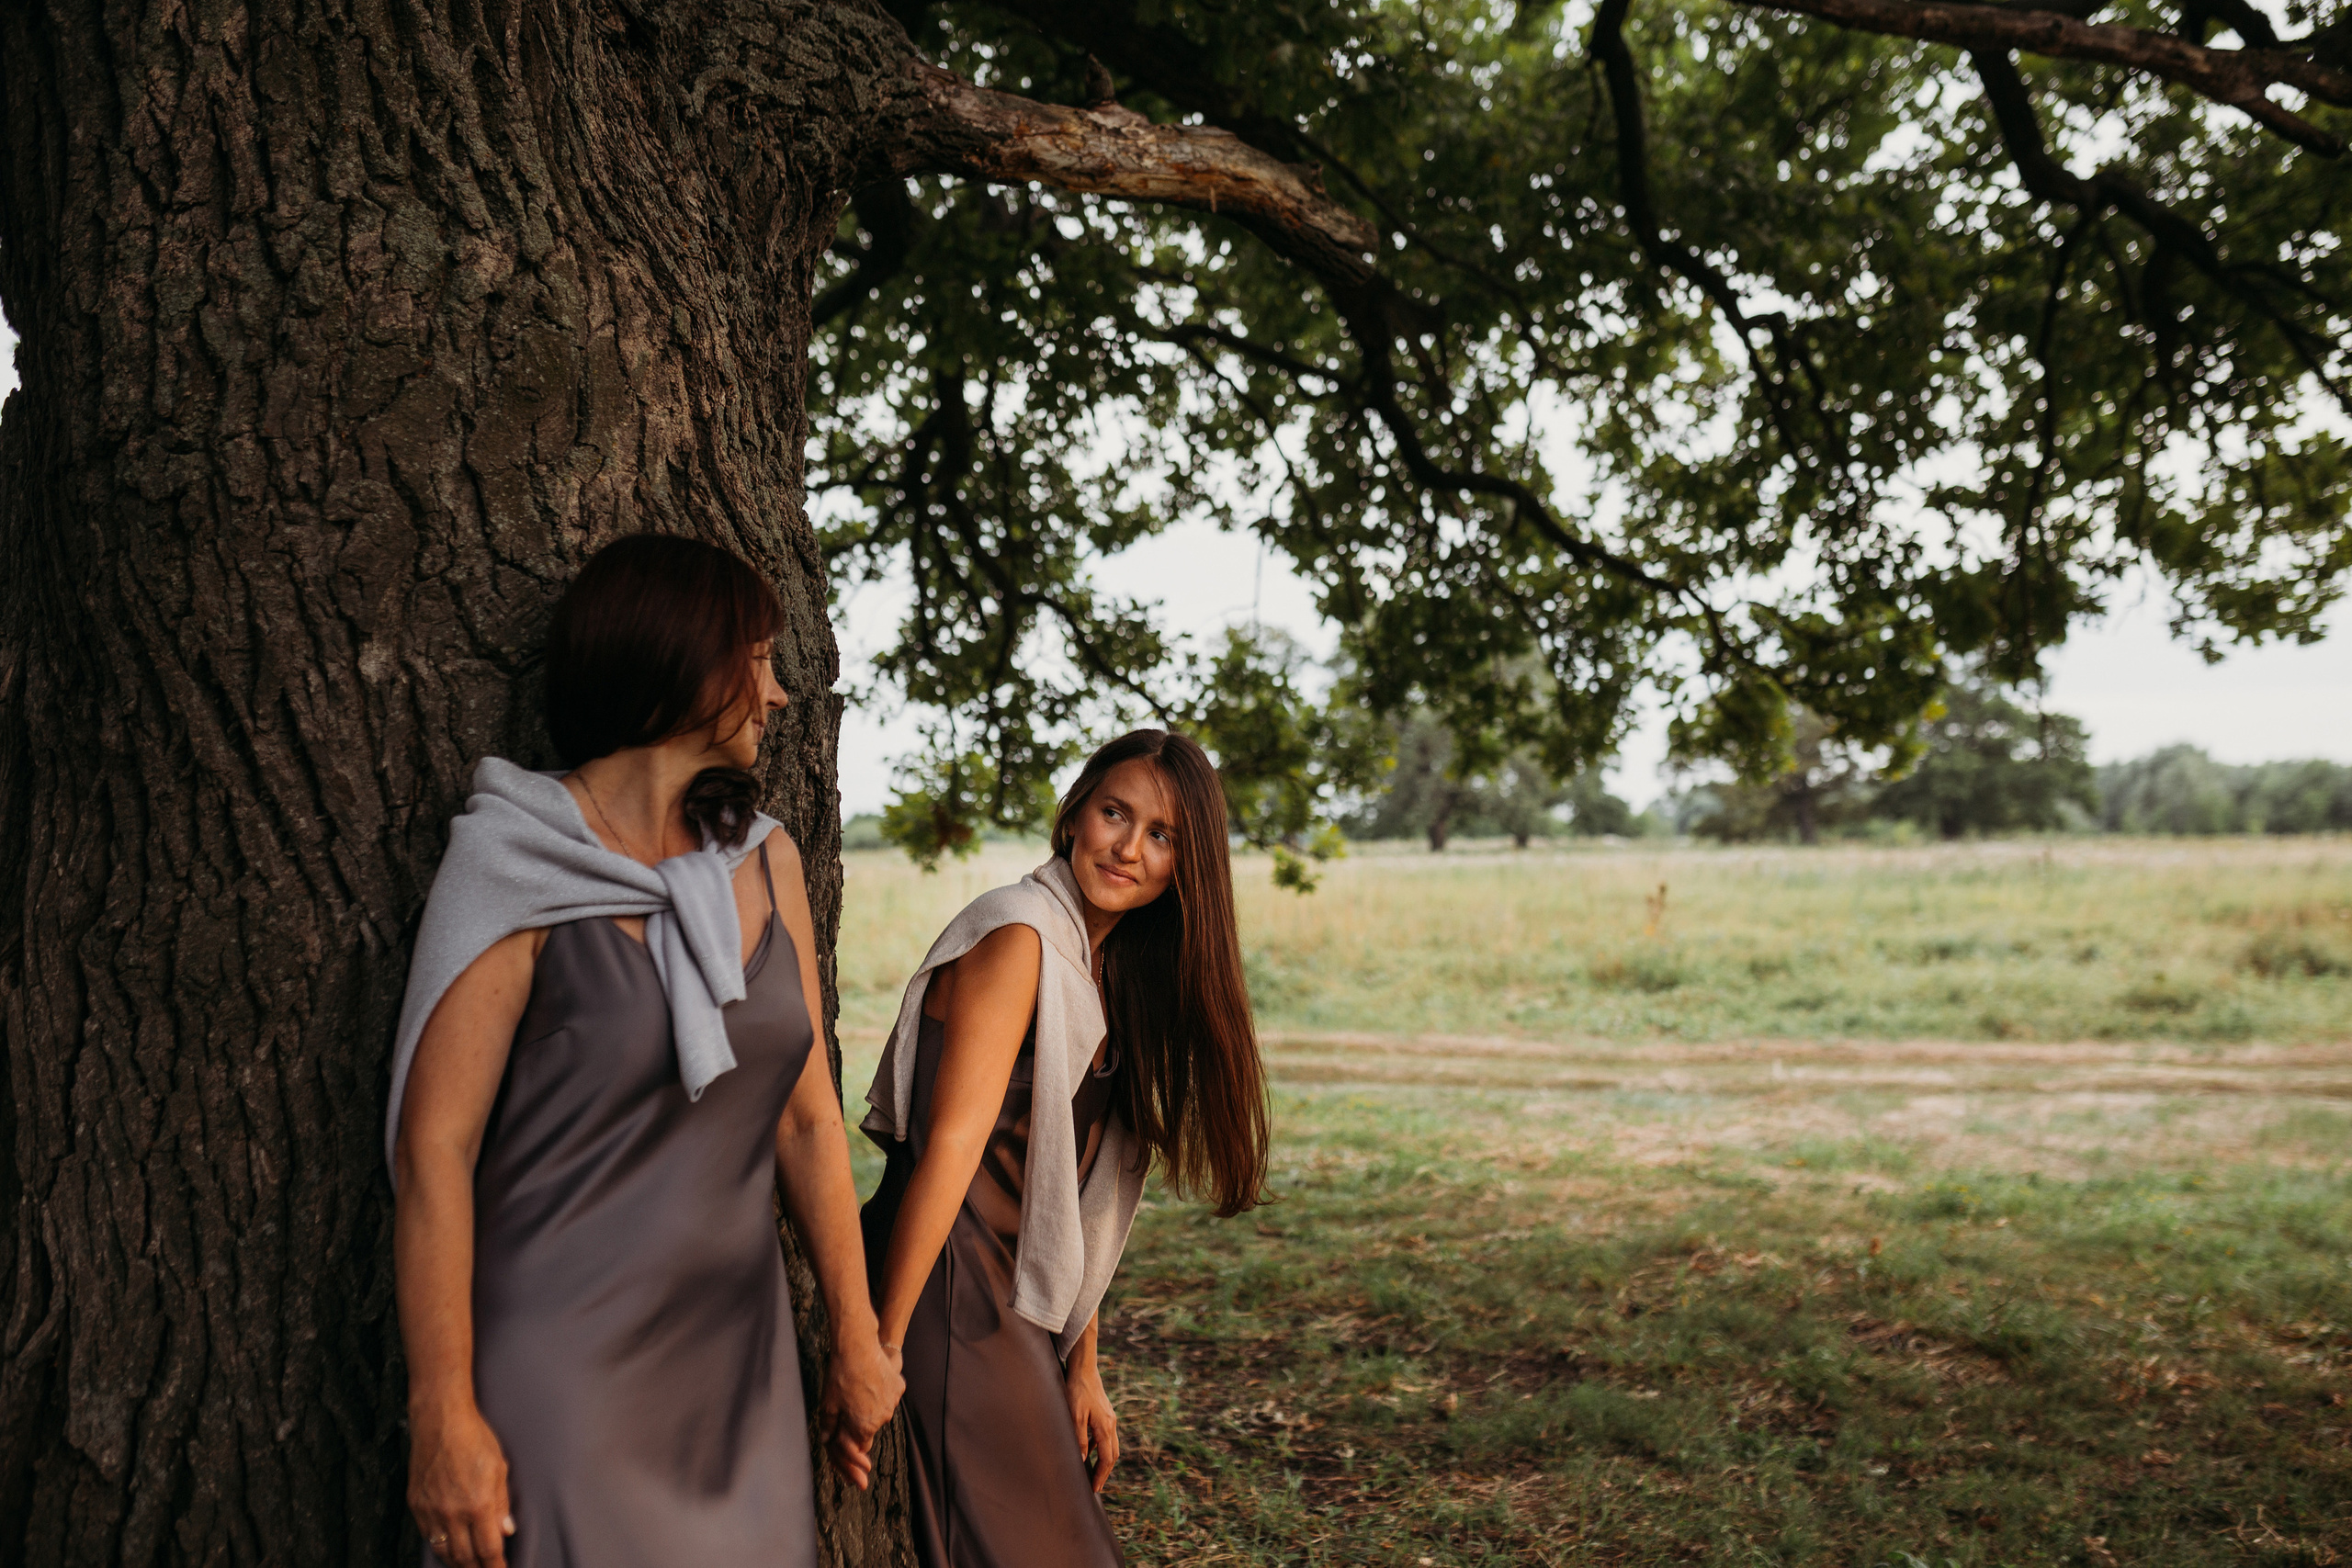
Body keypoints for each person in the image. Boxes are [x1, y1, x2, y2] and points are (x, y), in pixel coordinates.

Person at [388, 535, 901, 1568]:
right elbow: (430, 1152)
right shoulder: (513, 862)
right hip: (559, 1363)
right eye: (758, 659)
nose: (781, 694)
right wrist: (442, 1410)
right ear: (686, 662)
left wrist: (854, 1332)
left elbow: (806, 1118)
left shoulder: (765, 862)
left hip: (735, 1359)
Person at [859, 728, 1271, 1568]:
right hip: (946, 1291)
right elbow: (947, 1152)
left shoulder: (1102, 969)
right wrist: (881, 1348)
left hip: (1012, 1303)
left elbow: (1072, 1193)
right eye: (1115, 812)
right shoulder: (1018, 939)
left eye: (1162, 835)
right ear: (1075, 811)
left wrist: (1083, 1365)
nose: (1128, 848)